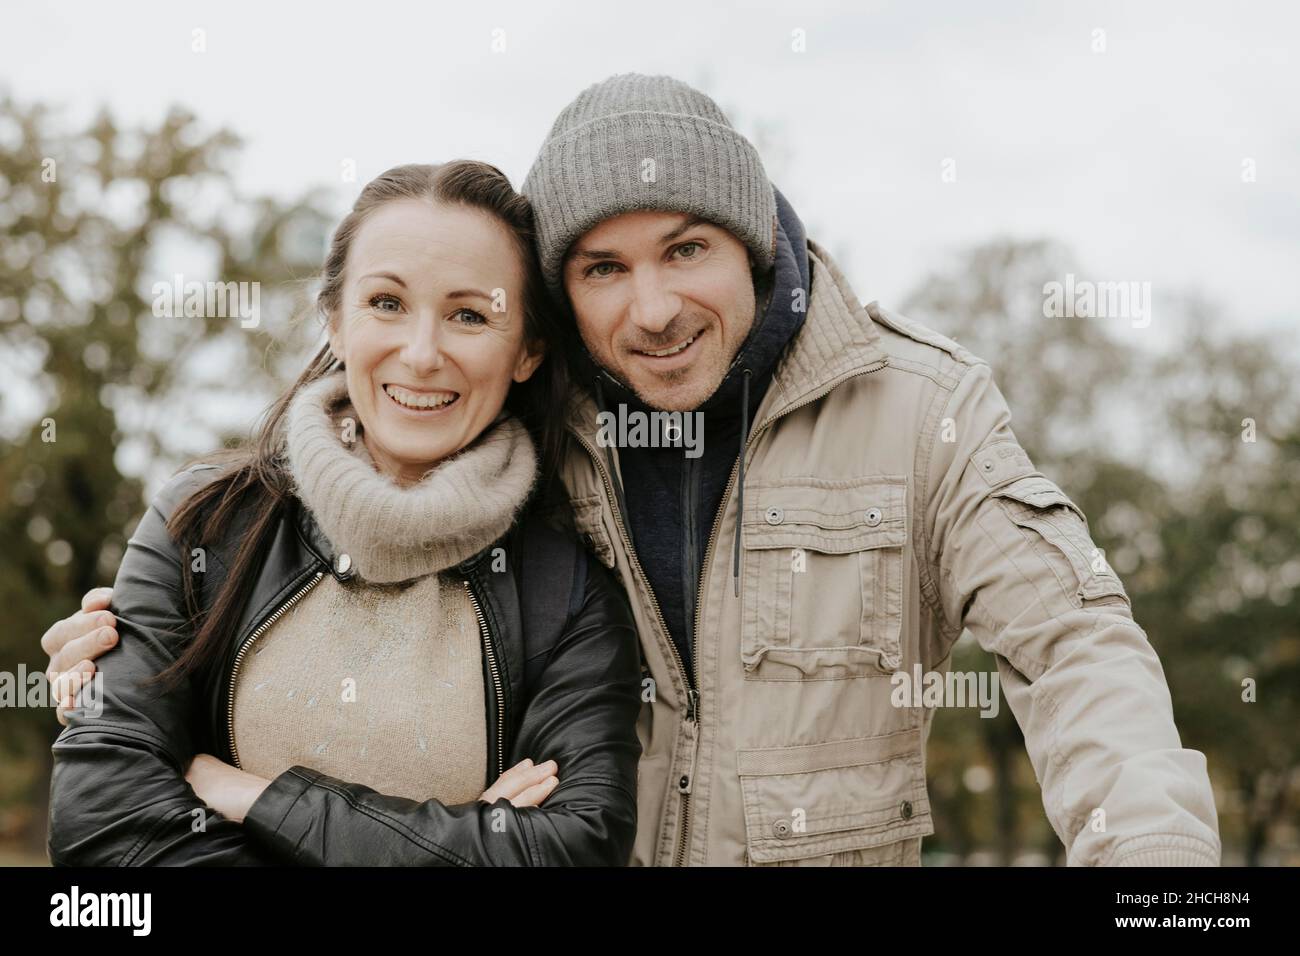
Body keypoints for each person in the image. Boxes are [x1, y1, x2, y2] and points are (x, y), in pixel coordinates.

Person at [45, 74, 1222, 867]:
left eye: (687, 250)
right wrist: (147, 639)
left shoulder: (922, 412)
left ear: (753, 241)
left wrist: (1155, 869)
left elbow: (1076, 649)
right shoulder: (525, 429)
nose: (652, 308)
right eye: (603, 268)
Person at [44, 160, 642, 866]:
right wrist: (449, 843)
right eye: (387, 303)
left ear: (528, 351)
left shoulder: (568, 596)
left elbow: (574, 851)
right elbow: (102, 833)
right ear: (334, 317)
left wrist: (258, 799)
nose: (421, 354)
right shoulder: (200, 524)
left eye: (470, 315)